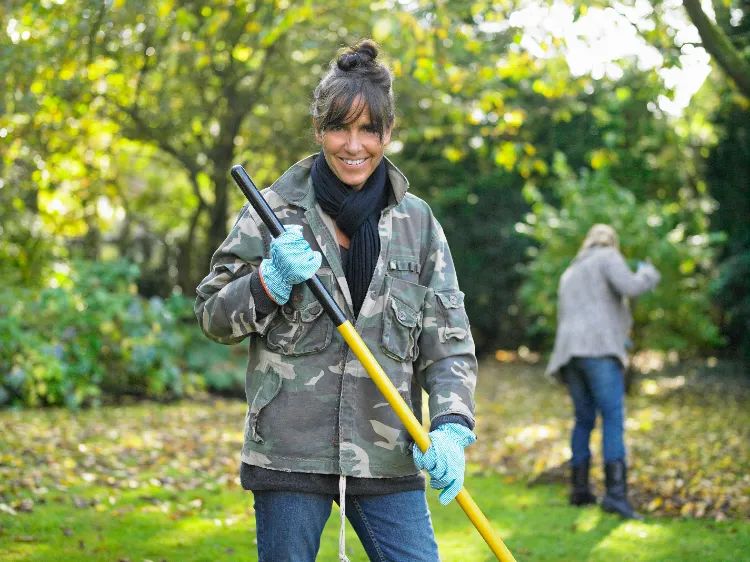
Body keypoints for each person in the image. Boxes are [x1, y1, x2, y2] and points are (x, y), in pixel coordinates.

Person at [195, 40, 478, 562]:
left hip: (388, 453)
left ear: (388, 133)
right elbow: (213, 315)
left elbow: (449, 343)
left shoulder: (418, 224)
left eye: (369, 129)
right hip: (287, 452)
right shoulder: (274, 212)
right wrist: (269, 280)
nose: (354, 145)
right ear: (320, 131)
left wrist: (452, 427)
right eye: (339, 128)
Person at [545, 224, 661, 520]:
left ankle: (580, 490)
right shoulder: (608, 256)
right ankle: (615, 496)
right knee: (612, 417)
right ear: (611, 241)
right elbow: (632, 287)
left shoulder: (570, 272)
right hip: (598, 350)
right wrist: (648, 273)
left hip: (569, 354)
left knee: (583, 419)